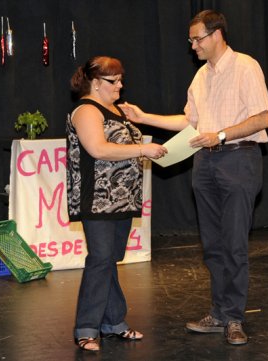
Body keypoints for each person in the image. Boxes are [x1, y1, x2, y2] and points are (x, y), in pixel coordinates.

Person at [122, 10, 268, 345]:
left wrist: (220, 135)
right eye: (191, 40)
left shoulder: (246, 67)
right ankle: (219, 313)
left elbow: (263, 118)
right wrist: (145, 117)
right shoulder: (201, 77)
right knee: (213, 246)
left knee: (234, 244)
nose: (193, 46)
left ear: (217, 34)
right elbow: (190, 121)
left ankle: (234, 317)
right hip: (204, 163)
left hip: (238, 159)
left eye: (197, 39)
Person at [66, 55, 167, 352]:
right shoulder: (86, 110)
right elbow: (98, 148)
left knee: (109, 259)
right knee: (100, 259)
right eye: (114, 80)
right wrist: (143, 148)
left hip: (120, 199)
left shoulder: (116, 110)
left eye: (121, 79)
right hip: (97, 199)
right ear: (96, 83)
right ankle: (86, 327)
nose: (121, 84)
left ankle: (112, 322)